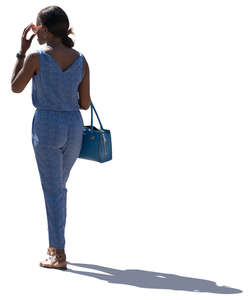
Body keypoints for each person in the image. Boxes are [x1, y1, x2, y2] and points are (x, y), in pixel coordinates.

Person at [11, 6, 91, 270]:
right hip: (73, 127)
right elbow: (85, 103)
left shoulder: (35, 57)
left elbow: (15, 87)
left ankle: (58, 253)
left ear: (44, 29)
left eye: (36, 26)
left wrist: (21, 51)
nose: (34, 30)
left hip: (47, 125)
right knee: (59, 189)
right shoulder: (81, 59)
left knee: (54, 190)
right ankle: (55, 246)